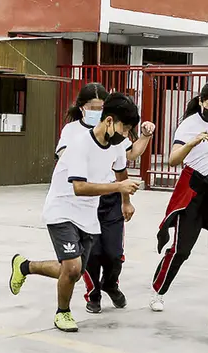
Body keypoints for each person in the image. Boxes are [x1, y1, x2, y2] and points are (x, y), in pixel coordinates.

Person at [8, 93, 141, 332]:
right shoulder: (80, 144)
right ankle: (63, 313)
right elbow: (79, 188)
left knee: (74, 271)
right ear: (109, 121)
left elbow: (121, 174)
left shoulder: (118, 145)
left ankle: (24, 266)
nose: (126, 134)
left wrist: (125, 202)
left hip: (88, 215)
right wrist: (118, 187)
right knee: (71, 269)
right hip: (62, 208)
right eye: (125, 127)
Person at [55, 83, 156, 314]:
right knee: (92, 255)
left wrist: (125, 200)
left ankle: (111, 283)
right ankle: (93, 294)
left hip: (109, 197)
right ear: (82, 108)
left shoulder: (116, 138)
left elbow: (126, 159)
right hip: (83, 200)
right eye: (93, 107)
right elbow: (69, 167)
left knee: (114, 253)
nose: (98, 112)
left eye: (102, 108)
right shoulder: (74, 134)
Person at [150, 80, 208, 313]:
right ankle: (158, 290)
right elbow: (173, 159)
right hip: (194, 189)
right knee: (181, 249)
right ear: (201, 102)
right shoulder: (189, 125)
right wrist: (193, 142)